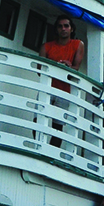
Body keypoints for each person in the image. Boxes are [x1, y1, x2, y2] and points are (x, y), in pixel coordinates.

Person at [40, 15, 85, 147]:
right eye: (60, 26)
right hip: (47, 86)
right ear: (56, 29)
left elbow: (76, 68)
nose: (63, 29)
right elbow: (40, 69)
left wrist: (68, 66)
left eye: (66, 26)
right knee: (38, 118)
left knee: (57, 126)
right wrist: (55, 66)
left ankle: (52, 154)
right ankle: (40, 147)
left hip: (64, 89)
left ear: (71, 29)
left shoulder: (77, 44)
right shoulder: (46, 46)